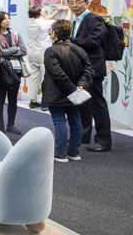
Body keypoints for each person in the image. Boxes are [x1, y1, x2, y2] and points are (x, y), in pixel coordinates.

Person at [43, 19, 95, 162]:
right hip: (75, 93)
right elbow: (89, 70)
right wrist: (80, 86)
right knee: (75, 120)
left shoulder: (51, 51)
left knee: (59, 120)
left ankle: (60, 153)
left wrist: (72, 89)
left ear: (54, 33)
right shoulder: (79, 50)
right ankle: (74, 152)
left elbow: (56, 73)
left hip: (56, 92)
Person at [67, 0, 111, 152]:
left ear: (86, 3)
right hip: (79, 68)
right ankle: (83, 136)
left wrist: (70, 41)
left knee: (96, 104)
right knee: (81, 104)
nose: (75, 5)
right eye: (71, 3)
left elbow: (94, 41)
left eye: (78, 2)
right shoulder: (76, 21)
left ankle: (103, 140)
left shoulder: (94, 19)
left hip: (92, 68)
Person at [0, 11, 28, 134]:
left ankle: (11, 125)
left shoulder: (16, 34)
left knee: (13, 100)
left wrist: (7, 52)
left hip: (16, 70)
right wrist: (15, 49)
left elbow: (24, 51)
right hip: (2, 70)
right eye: (4, 19)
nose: (7, 21)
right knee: (0, 100)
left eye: (8, 18)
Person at [26, 6, 58, 109]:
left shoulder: (30, 23)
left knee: (34, 77)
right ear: (40, 12)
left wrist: (57, 11)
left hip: (32, 53)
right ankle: (45, 102)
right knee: (46, 77)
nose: (45, 11)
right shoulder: (44, 23)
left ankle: (33, 101)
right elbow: (62, 22)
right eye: (43, 10)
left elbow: (46, 18)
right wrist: (68, 11)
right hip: (43, 52)